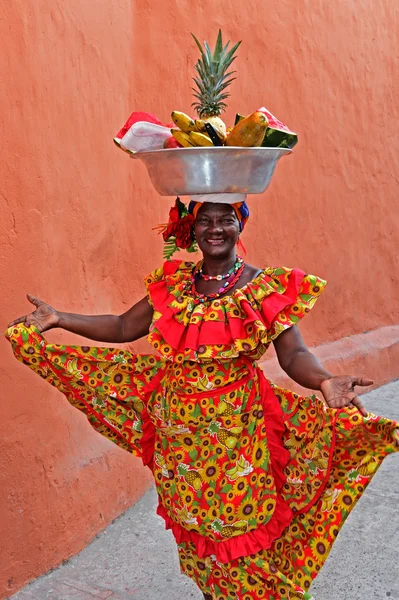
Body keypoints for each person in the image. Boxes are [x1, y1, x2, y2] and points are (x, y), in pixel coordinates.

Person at [6, 200, 399, 600]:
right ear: (191, 230)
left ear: (239, 225)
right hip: (180, 443)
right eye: (205, 220)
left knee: (239, 537)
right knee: (201, 543)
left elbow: (294, 354)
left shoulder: (262, 287)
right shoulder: (175, 284)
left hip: (238, 440)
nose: (215, 228)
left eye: (225, 219)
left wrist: (325, 381)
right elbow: (124, 326)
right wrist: (59, 319)